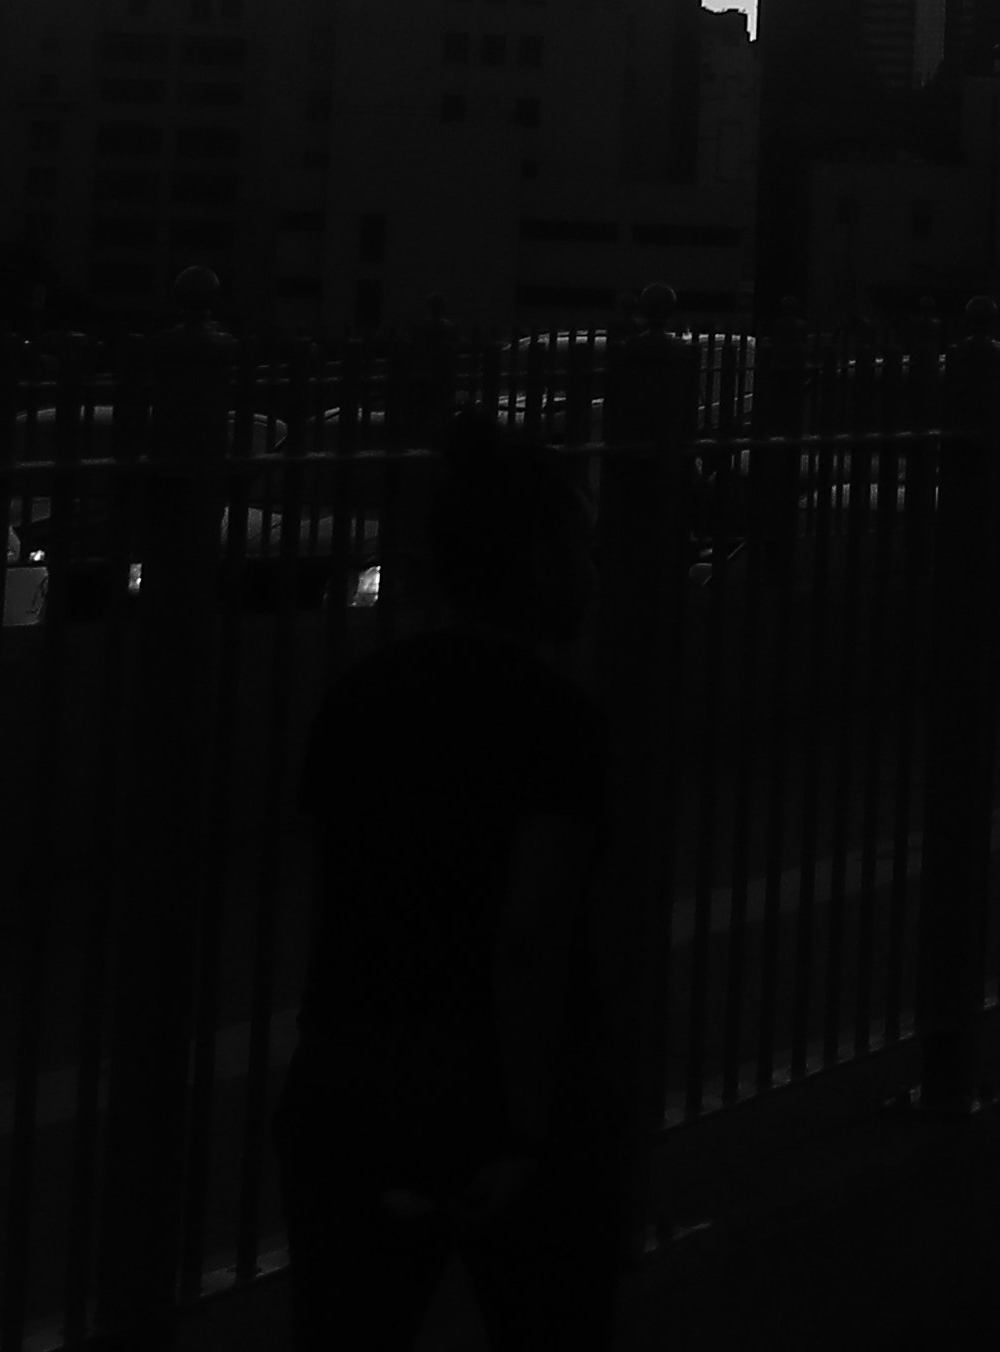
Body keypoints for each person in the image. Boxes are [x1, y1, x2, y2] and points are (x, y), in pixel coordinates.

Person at [286, 420, 621, 1350]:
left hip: (349, 1076)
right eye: (581, 548)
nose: (594, 573)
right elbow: (530, 941)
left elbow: (335, 891)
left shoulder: (359, 697)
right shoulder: (557, 722)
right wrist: (525, 1129)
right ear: (539, 563)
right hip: (481, 1087)